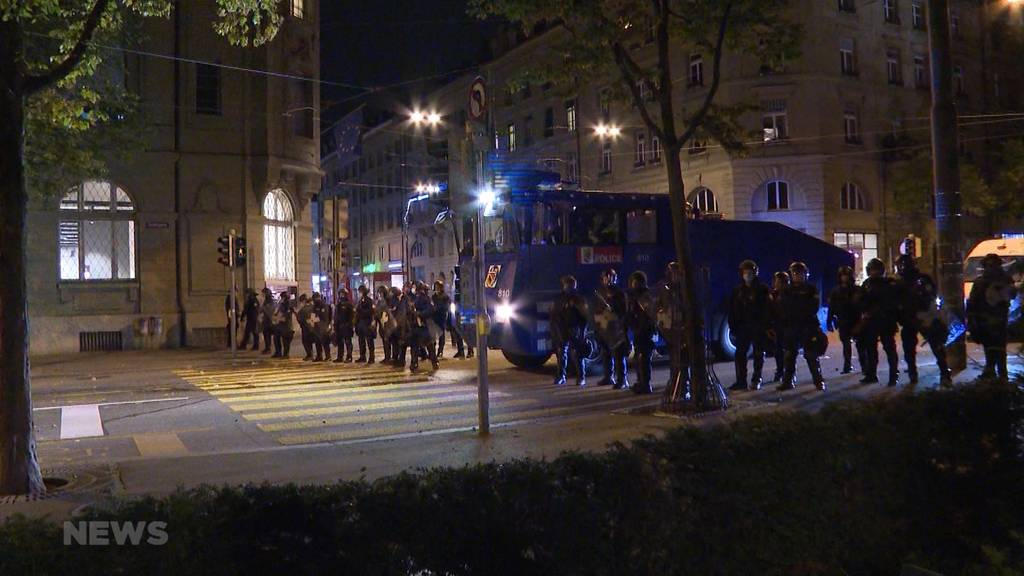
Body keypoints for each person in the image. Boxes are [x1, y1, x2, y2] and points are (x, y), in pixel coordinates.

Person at [895, 255, 951, 385]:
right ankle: (938, 373)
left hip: (921, 317)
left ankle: (940, 372)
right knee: (922, 347)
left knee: (932, 345)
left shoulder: (915, 281)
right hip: (915, 318)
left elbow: (931, 295)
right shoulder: (907, 282)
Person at [967, 253, 1018, 380]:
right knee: (996, 348)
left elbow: (972, 303)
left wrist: (972, 318)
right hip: (993, 319)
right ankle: (996, 373)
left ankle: (994, 373)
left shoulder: (984, 281)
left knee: (993, 348)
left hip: (991, 319)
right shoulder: (1003, 279)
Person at [778, 261, 827, 391]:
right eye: (794, 273)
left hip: (807, 326)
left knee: (811, 355)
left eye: (800, 273)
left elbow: (813, 307)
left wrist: (797, 310)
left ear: (806, 275)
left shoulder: (811, 289)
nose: (797, 276)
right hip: (792, 326)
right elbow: (783, 307)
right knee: (789, 355)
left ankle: (818, 381)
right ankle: (788, 381)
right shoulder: (787, 290)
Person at [727, 260, 771, 391]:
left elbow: (767, 309)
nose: (747, 275)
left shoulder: (762, 289)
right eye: (745, 273)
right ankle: (741, 381)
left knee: (758, 354)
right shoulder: (738, 291)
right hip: (743, 328)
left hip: (758, 327)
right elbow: (732, 310)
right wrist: (733, 326)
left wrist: (765, 326)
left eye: (750, 273)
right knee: (740, 354)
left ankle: (756, 379)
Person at [857, 258, 901, 386]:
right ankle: (871, 375)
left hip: (886, 321)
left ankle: (893, 375)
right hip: (871, 322)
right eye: (872, 270)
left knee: (889, 349)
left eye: (877, 270)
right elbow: (861, 302)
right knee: (871, 350)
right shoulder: (866, 284)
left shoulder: (889, 284)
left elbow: (893, 302)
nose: (874, 272)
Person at [593, 268, 629, 389]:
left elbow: (623, 310)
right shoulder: (600, 291)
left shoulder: (619, 292)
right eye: (606, 277)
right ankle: (608, 376)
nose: (608, 280)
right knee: (605, 353)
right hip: (604, 327)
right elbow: (596, 308)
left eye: (611, 277)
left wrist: (612, 303)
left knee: (618, 355)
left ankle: (622, 379)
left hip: (615, 328)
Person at [551, 275, 589, 387]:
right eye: (566, 285)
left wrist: (582, 332)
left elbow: (585, 317)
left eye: (570, 285)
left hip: (574, 330)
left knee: (577, 355)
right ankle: (561, 376)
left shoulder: (578, 299)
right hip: (562, 330)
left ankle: (581, 377)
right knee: (561, 354)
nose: (568, 287)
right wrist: (556, 331)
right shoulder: (559, 298)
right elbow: (554, 315)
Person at [657, 262, 687, 396]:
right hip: (670, 328)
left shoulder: (685, 288)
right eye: (671, 272)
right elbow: (660, 304)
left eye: (675, 272)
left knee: (683, 359)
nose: (673, 275)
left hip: (682, 327)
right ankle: (674, 383)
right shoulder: (665, 288)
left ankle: (684, 385)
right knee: (674, 359)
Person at [826, 266, 862, 375]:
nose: (845, 278)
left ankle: (865, 366)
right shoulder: (836, 291)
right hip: (843, 320)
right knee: (846, 344)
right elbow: (832, 307)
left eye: (846, 275)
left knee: (861, 344)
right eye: (843, 276)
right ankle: (847, 365)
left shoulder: (857, 290)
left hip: (856, 320)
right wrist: (829, 320)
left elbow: (863, 305)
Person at [626, 271, 657, 394]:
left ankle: (646, 384)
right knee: (638, 358)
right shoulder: (634, 296)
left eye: (636, 282)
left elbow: (649, 313)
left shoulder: (645, 295)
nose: (634, 284)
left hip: (646, 330)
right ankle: (640, 382)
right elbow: (631, 313)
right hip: (638, 330)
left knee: (644, 358)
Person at [767, 271, 790, 383]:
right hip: (777, 326)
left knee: (789, 351)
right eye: (777, 282)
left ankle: (789, 373)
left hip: (788, 326)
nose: (778, 284)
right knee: (778, 351)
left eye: (781, 282)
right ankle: (780, 371)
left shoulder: (790, 294)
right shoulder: (772, 295)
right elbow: (768, 311)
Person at [412, 282, 440, 371]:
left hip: (425, 325)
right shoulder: (417, 298)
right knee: (416, 345)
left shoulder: (426, 299)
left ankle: (434, 362)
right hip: (418, 325)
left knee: (428, 345)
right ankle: (414, 363)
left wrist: (419, 314)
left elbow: (431, 310)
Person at [355, 285, 377, 363]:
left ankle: (371, 357)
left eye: (360, 292)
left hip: (367, 323)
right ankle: (362, 356)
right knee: (361, 341)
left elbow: (370, 312)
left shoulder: (369, 301)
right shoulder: (360, 300)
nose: (359, 293)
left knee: (369, 341)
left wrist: (361, 311)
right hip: (360, 323)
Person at [431, 281, 452, 360]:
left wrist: (437, 308)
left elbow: (446, 307)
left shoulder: (445, 296)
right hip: (434, 317)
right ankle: (433, 351)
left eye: (437, 287)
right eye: (435, 287)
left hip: (441, 317)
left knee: (441, 335)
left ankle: (440, 351)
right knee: (433, 335)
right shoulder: (434, 296)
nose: (436, 289)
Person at [333, 288, 355, 363]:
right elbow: (336, 316)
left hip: (346, 326)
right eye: (340, 294)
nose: (341, 295)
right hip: (339, 326)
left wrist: (350, 325)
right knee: (340, 342)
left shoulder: (349, 305)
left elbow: (352, 316)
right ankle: (340, 357)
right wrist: (335, 326)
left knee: (348, 342)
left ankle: (349, 356)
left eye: (343, 294)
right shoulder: (338, 304)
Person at [375, 285, 395, 364]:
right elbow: (377, 311)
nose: (380, 294)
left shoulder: (389, 300)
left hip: (388, 323)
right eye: (379, 293)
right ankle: (387, 357)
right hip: (382, 322)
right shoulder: (380, 301)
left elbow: (390, 310)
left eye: (381, 293)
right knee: (385, 341)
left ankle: (391, 357)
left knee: (389, 341)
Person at [272, 291, 295, 358]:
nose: (281, 298)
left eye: (281, 297)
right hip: (280, 324)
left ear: (284, 297)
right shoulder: (281, 304)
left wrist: (279, 318)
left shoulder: (288, 304)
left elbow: (287, 315)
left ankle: (285, 354)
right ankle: (278, 352)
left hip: (286, 325)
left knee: (286, 340)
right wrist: (276, 316)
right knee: (276, 338)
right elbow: (277, 312)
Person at [311, 292, 333, 362]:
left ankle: (328, 356)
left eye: (315, 298)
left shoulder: (324, 305)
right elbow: (313, 315)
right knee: (317, 342)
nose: (315, 300)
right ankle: (319, 356)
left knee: (325, 342)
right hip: (317, 328)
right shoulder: (315, 306)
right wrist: (312, 321)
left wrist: (315, 319)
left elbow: (324, 317)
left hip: (323, 327)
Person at [295, 294, 315, 361]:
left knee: (306, 341)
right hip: (313, 327)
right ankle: (316, 355)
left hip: (306, 328)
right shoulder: (313, 307)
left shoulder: (303, 310)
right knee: (313, 341)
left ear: (303, 301)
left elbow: (299, 319)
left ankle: (309, 355)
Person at [259, 288, 276, 354]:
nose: (262, 294)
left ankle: (268, 348)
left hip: (268, 320)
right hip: (266, 320)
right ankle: (267, 348)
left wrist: (263, 308)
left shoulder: (269, 300)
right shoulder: (266, 300)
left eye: (263, 293)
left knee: (267, 334)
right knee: (266, 334)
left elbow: (268, 309)